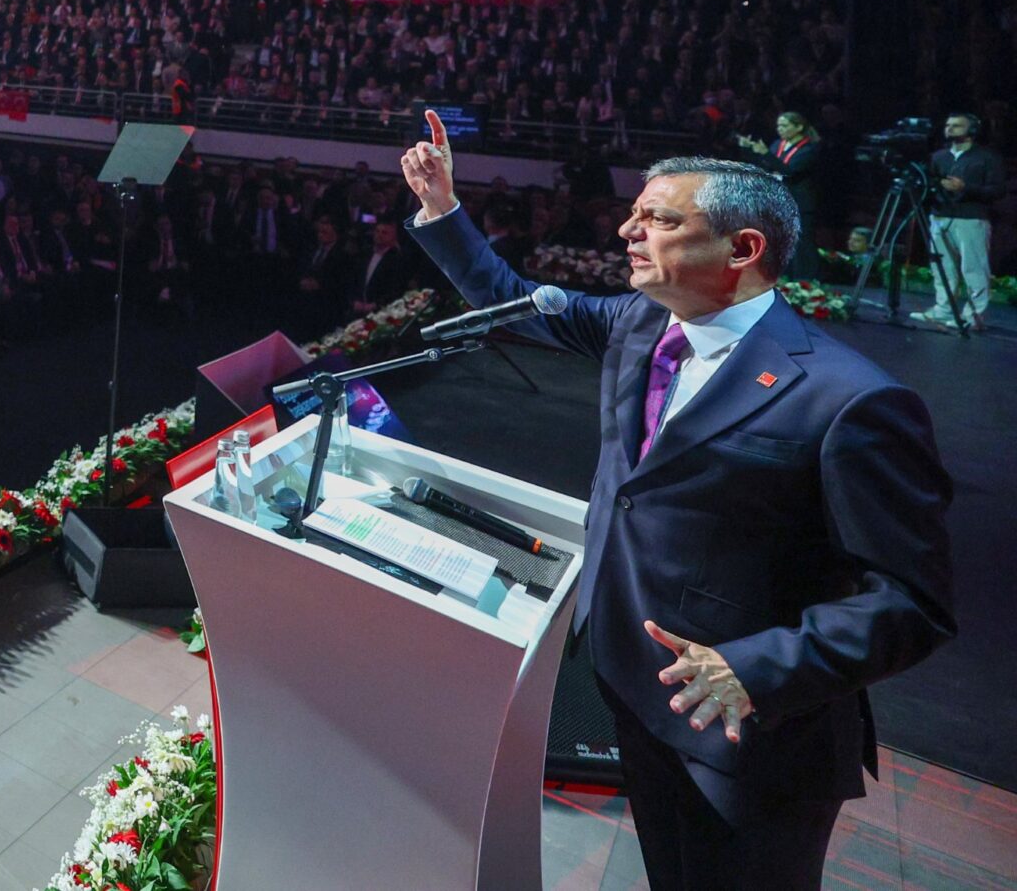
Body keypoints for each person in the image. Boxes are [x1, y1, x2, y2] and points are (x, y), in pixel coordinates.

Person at [400, 112, 954, 891]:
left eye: (658, 217)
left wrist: (755, 667)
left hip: (750, 731)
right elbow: (511, 297)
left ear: (743, 248)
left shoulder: (851, 399)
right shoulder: (638, 323)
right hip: (635, 691)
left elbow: (912, 601)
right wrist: (440, 207)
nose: (628, 228)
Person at [923, 113, 1002, 332]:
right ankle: (944, 309)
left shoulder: (987, 158)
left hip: (971, 218)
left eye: (957, 126)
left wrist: (965, 188)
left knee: (973, 269)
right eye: (948, 125)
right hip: (940, 216)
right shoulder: (938, 156)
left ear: (973, 130)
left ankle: (974, 315)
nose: (950, 129)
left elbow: (997, 190)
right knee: (942, 267)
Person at [734, 112, 826, 280]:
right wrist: (747, 150)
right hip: (780, 201)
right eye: (778, 126)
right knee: (783, 241)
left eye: (784, 126)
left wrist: (766, 154)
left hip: (800, 201)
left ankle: (809, 280)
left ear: (799, 127)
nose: (780, 129)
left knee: (803, 243)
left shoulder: (810, 148)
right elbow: (766, 166)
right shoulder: (778, 144)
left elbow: (790, 170)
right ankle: (787, 279)